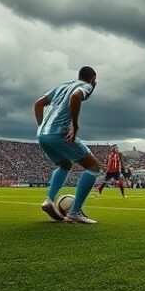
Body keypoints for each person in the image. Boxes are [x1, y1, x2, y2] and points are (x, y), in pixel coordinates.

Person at [34, 66, 102, 224]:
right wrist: (75, 126)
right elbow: (76, 96)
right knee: (93, 166)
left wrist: (41, 127)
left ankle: (49, 201)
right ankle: (75, 212)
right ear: (93, 78)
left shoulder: (62, 85)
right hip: (59, 134)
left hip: (42, 135)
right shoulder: (85, 86)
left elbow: (38, 104)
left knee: (65, 165)